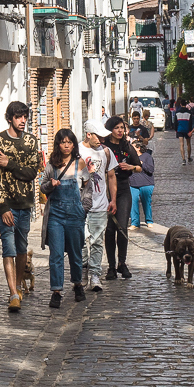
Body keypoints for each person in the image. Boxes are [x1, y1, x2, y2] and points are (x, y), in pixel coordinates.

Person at [0, 100, 40, 312]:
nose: (23, 121)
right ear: (10, 118)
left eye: (25, 117)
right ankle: (13, 293)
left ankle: (18, 285)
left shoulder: (31, 142)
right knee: (8, 247)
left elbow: (31, 173)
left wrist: (10, 164)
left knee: (21, 248)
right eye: (19, 117)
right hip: (5, 205)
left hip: (25, 203)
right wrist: (3, 208)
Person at [41, 129, 89, 309]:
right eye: (63, 142)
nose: (67, 145)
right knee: (56, 254)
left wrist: (84, 210)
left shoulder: (80, 164)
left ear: (74, 145)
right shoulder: (51, 166)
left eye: (70, 142)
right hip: (56, 215)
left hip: (75, 215)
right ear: (58, 145)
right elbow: (42, 188)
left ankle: (77, 284)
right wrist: (50, 185)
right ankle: (56, 291)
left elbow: (87, 189)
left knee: (76, 253)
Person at [79, 120, 118, 292]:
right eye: (98, 136)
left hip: (100, 205)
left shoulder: (106, 152)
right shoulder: (77, 150)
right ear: (88, 134)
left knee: (96, 242)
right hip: (80, 205)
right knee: (80, 241)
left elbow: (111, 176)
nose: (102, 140)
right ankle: (82, 269)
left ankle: (95, 274)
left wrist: (113, 200)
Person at [104, 116, 143, 280]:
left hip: (123, 188)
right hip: (106, 190)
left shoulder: (127, 147)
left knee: (122, 227)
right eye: (117, 128)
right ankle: (111, 266)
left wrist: (131, 166)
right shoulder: (104, 146)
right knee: (109, 229)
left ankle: (122, 263)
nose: (120, 131)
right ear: (110, 129)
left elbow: (140, 167)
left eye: (122, 128)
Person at [129, 138, 155, 229]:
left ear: (138, 148)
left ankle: (149, 220)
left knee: (146, 202)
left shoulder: (147, 157)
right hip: (133, 184)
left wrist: (142, 164)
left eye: (132, 147)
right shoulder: (129, 158)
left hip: (146, 184)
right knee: (133, 203)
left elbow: (151, 169)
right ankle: (135, 223)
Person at [175, 97, 194, 164]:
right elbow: (191, 122)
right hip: (187, 130)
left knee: (181, 144)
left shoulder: (177, 112)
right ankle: (189, 157)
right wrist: (190, 131)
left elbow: (175, 122)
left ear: (180, 104)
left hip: (180, 129)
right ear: (186, 104)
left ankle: (183, 159)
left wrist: (176, 130)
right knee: (188, 144)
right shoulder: (189, 112)